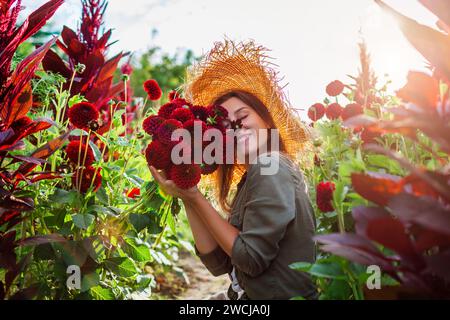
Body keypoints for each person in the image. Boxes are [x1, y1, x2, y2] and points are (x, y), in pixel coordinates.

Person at [149, 39, 318, 300]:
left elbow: (250, 259)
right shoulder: (255, 176)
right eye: (226, 124)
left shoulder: (270, 167)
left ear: (266, 118)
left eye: (243, 116)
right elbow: (218, 263)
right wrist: (187, 194)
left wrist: (195, 198)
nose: (237, 127)